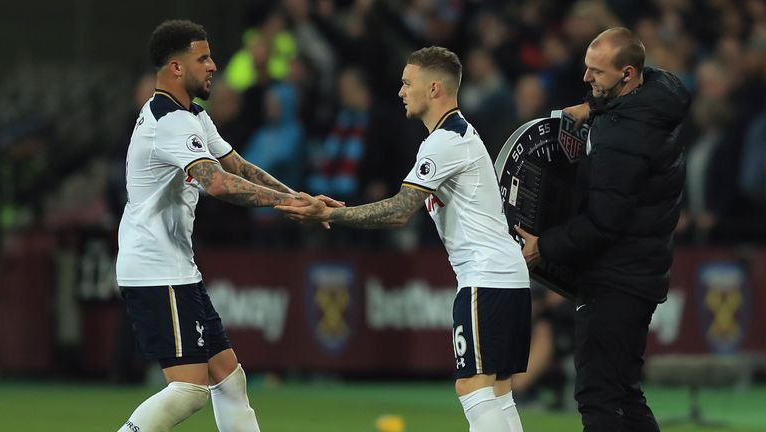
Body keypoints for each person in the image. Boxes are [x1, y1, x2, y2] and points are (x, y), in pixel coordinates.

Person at [277, 46, 531, 432]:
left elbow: (399, 211)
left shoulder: (445, 142)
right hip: (506, 276)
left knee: (473, 387)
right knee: (498, 393)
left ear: (433, 89)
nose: (400, 91)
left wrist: (329, 213)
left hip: (486, 278)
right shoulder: (460, 135)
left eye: (407, 83)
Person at [114, 20, 338, 432]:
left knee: (229, 378)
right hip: (155, 269)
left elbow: (238, 166)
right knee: (188, 390)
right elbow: (216, 182)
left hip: (175, 267)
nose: (214, 66)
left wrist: (300, 199)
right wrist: (290, 203)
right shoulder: (169, 120)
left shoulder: (192, 116)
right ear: (177, 67)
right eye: (203, 58)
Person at [515, 27, 691, 432]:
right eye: (587, 68)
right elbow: (629, 113)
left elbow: (604, 223)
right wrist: (595, 110)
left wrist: (545, 246)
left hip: (615, 280)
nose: (586, 79)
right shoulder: (655, 100)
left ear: (628, 74)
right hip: (638, 274)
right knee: (624, 395)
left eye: (597, 73)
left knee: (598, 398)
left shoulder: (620, 138)